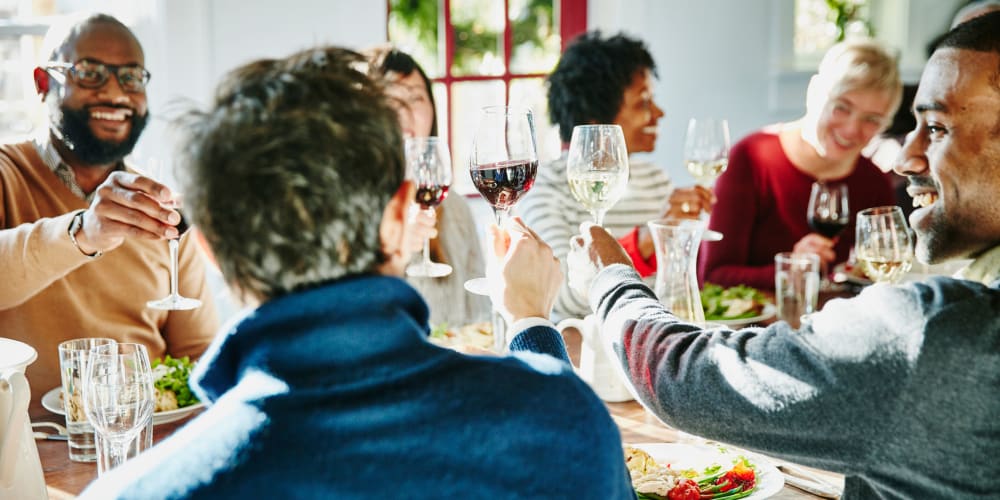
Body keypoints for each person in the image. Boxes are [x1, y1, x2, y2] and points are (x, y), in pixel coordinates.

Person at [79, 46, 633, 499]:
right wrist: (533, 326)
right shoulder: (567, 420)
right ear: (400, 213)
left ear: (208, 249)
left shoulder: (130, 494)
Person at [563, 12, 1000, 499]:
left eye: (937, 128)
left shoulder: (934, 331)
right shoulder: (754, 157)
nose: (902, 158)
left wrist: (611, 277)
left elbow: (681, 377)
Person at [0, 13, 217, 397]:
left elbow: (198, 356)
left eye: (131, 77)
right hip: (26, 447)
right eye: (90, 73)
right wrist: (85, 232)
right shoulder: (7, 173)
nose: (116, 94)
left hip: (145, 442)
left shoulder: (159, 210)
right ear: (41, 82)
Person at [520, 31, 712, 321]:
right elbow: (564, 296)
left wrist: (681, 239)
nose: (658, 113)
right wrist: (645, 243)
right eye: (642, 103)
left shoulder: (655, 178)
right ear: (596, 122)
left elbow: (672, 290)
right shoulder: (546, 186)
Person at [698, 38, 900, 291]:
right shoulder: (750, 158)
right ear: (814, 93)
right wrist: (791, 269)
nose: (851, 130)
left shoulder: (874, 183)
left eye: (872, 119)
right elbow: (713, 275)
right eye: (841, 107)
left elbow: (879, 280)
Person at [367, 46, 490, 328]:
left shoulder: (455, 208)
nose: (404, 111)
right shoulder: (349, 207)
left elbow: (480, 316)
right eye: (389, 99)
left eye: (415, 98)